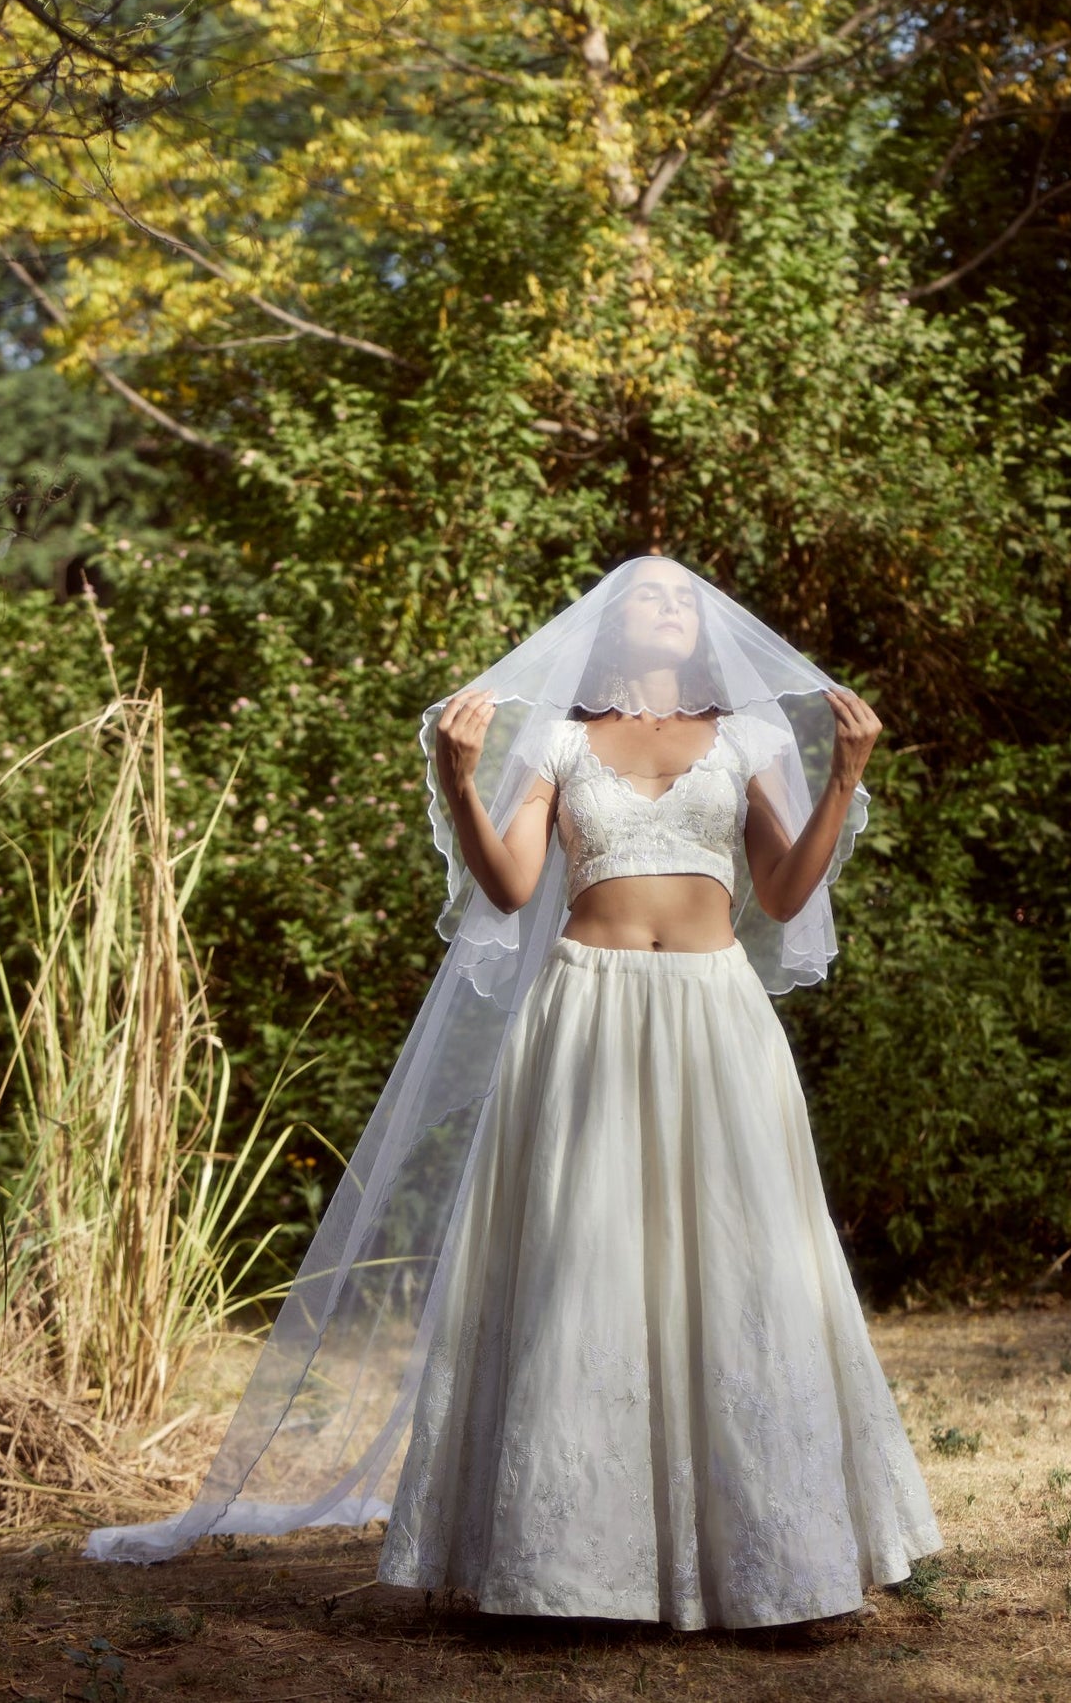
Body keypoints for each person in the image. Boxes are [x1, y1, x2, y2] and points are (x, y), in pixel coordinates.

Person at [86, 555, 940, 1631]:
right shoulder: (555, 737)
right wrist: (457, 779)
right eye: (644, 595)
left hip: (717, 1015)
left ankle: (774, 1562)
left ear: (703, 626)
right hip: (583, 1008)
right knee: (578, 1262)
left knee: (741, 1253)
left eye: (682, 595)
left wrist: (846, 777)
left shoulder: (749, 737)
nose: (665, 606)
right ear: (609, 625)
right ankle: (568, 1571)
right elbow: (509, 886)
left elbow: (780, 890)